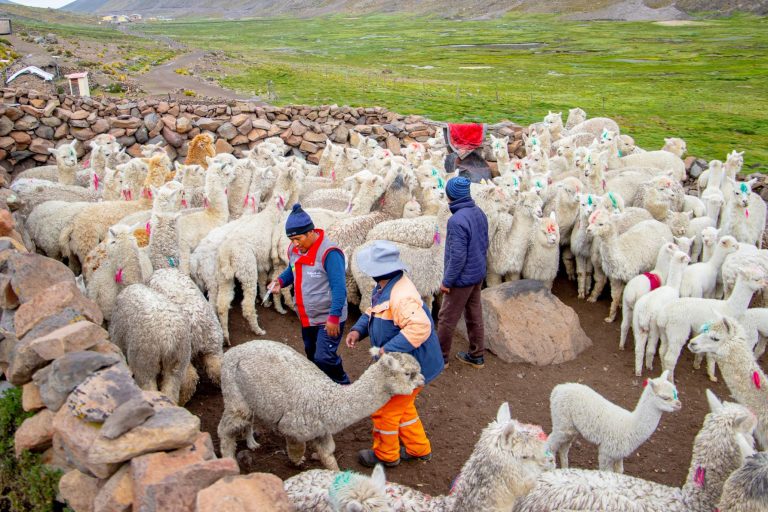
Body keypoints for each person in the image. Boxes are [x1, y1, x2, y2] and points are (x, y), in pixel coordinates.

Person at [346, 240, 444, 468]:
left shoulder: (401, 295)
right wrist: (358, 330)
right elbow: (374, 311)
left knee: (385, 411)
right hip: (408, 366)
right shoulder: (385, 287)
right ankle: (419, 448)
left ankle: (386, 455)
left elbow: (420, 327)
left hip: (410, 368)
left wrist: (388, 348)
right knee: (404, 407)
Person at [269, 203, 350, 384]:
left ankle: (343, 385)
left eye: (298, 239)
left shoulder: (330, 253)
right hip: (307, 316)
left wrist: (334, 317)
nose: (295, 244)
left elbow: (339, 288)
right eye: (292, 240)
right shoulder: (295, 250)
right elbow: (293, 269)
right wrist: (280, 281)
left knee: (324, 357)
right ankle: (321, 388)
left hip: (327, 317)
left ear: (310, 232)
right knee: (312, 355)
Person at [437, 176, 489, 368]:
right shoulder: (479, 213)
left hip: (462, 278)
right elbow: (485, 242)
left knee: (446, 318)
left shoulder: (456, 220)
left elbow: (458, 257)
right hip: (477, 274)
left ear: (451, 196)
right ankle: (477, 355)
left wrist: (447, 281)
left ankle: (440, 359)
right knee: (474, 314)